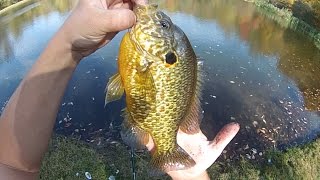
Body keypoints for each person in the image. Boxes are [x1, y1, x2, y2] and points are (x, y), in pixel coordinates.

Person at [0, 0, 240, 179]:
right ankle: (168, 153)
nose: (158, 19)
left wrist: (69, 44)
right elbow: (12, 166)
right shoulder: (147, 53)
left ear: (167, 52)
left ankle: (167, 152)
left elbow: (13, 166)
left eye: (163, 25)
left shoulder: (149, 55)